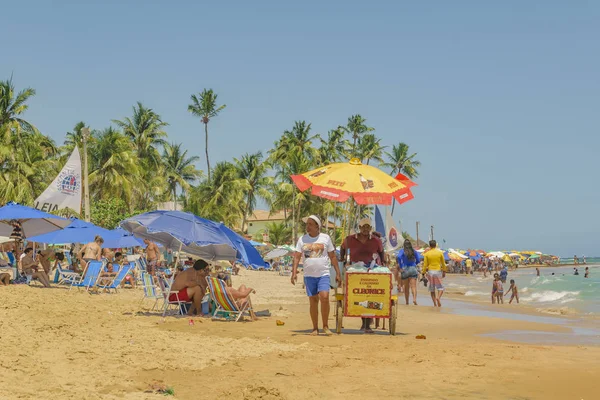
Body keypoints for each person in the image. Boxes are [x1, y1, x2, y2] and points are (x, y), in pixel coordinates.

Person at [291, 215, 342, 336]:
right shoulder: (302, 240)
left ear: (317, 226)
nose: (307, 227)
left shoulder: (325, 238)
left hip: (323, 274)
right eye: (306, 224)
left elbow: (332, 256)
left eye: (310, 224)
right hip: (309, 275)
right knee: (313, 301)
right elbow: (297, 257)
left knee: (324, 297)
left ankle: (325, 326)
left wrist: (338, 273)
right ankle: (315, 328)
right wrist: (293, 272)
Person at [340, 218, 384, 333]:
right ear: (359, 228)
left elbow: (381, 252)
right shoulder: (350, 239)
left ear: (370, 229)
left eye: (368, 227)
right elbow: (342, 248)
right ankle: (365, 323)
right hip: (355, 268)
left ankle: (367, 324)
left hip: (370, 268)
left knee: (369, 295)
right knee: (358, 294)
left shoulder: (376, 240)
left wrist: (383, 263)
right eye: (363, 227)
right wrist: (342, 259)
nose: (365, 229)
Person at [395, 239, 422, 306]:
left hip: (405, 269)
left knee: (406, 287)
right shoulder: (414, 251)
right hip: (413, 268)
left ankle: (407, 302)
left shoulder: (402, 251)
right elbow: (418, 260)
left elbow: (398, 257)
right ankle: (414, 299)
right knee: (413, 286)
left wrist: (401, 266)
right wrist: (415, 263)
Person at [422, 240, 447, 307]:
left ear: (429, 246)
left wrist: (423, 272)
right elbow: (443, 263)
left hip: (430, 272)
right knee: (440, 287)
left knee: (432, 289)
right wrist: (444, 271)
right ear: (436, 245)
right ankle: (438, 298)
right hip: (438, 271)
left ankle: (435, 304)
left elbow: (425, 265)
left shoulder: (427, 254)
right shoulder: (440, 253)